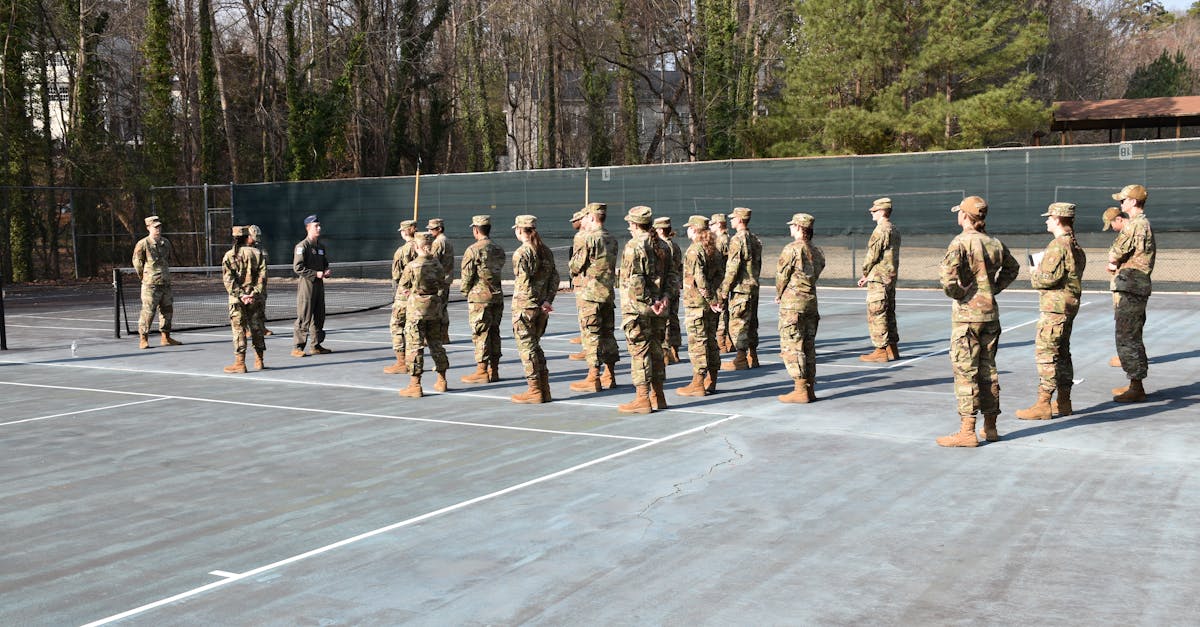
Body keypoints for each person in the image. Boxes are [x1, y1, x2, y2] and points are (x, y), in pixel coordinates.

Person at [935, 196, 1019, 447]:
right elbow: (1012, 269)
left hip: (967, 317)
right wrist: (992, 289)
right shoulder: (994, 242)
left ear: (964, 216)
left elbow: (948, 280)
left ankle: (967, 430)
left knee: (965, 372)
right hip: (990, 315)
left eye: (959, 213)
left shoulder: (960, 242)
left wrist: (961, 294)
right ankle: (990, 427)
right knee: (988, 370)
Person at [1015, 202, 1087, 420]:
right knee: (1063, 354)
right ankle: (1063, 402)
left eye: (1049, 217)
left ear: (1057, 219)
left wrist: (1034, 272)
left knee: (1046, 354)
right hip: (1067, 306)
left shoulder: (1058, 245)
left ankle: (1044, 403)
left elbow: (1048, 279)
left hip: (1055, 308)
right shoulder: (1075, 245)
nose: (1046, 220)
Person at [617, 206, 669, 413]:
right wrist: (663, 298)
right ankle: (658, 395)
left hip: (638, 308)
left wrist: (649, 301)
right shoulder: (663, 245)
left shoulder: (634, 246)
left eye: (630, 223)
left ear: (635, 224)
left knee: (639, 352)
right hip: (659, 308)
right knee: (656, 351)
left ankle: (642, 399)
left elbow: (636, 280)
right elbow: (673, 276)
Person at [1107, 184, 1155, 403]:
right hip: (1136, 286)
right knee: (1133, 335)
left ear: (1133, 202)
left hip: (1130, 286)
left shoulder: (1134, 225)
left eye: (1123, 201)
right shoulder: (1144, 224)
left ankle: (1136, 386)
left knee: (1126, 336)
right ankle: (1136, 383)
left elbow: (1116, 253)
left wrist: (1113, 261)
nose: (1121, 204)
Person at [568, 202, 622, 393]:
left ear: (591, 217)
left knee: (591, 336)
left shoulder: (590, 238)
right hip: (607, 293)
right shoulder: (611, 238)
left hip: (590, 294)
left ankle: (593, 376)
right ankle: (610, 374)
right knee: (608, 334)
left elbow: (575, 265)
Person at [776, 213, 826, 403]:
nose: (790, 228)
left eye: (792, 226)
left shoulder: (792, 249)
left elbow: (782, 275)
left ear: (798, 227)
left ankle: (799, 388)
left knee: (792, 344)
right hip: (810, 302)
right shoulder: (816, 250)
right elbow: (819, 269)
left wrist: (780, 293)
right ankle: (809, 387)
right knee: (808, 346)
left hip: (793, 304)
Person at [510, 215, 559, 403]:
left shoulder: (522, 253)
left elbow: (523, 285)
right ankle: (544, 389)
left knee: (527, 349)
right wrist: (546, 300)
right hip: (541, 308)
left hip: (526, 307)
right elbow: (554, 278)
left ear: (520, 230)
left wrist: (530, 304)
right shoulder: (545, 250)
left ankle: (535, 390)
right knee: (535, 347)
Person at [675, 215, 725, 397]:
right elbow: (721, 276)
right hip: (711, 304)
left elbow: (700, 279)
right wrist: (716, 298)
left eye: (689, 227)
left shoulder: (695, 250)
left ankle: (698, 383)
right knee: (710, 341)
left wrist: (711, 299)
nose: (687, 230)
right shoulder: (714, 249)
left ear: (694, 230)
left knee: (698, 342)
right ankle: (711, 380)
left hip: (698, 304)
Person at [397, 232, 450, 398]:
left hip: (416, 311)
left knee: (415, 346)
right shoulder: (437, 265)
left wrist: (413, 295)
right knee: (436, 343)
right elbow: (443, 284)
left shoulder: (412, 266)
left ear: (416, 247)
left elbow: (403, 286)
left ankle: (415, 385)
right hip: (434, 309)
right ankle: (442, 380)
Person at [459, 215, 506, 384]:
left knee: (481, 334)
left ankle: (481, 370)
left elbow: (467, 277)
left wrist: (466, 292)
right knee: (494, 332)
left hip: (479, 298)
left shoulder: (472, 250)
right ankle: (494, 370)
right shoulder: (498, 249)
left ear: (476, 230)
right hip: (496, 296)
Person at [718, 206, 763, 370]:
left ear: (740, 219)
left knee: (739, 323)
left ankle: (741, 358)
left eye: (733, 218)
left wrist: (724, 290)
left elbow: (732, 267)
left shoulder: (737, 239)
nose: (731, 220)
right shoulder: (755, 239)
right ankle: (753, 356)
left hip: (741, 288)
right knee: (751, 323)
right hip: (753, 287)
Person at [857, 197, 901, 362]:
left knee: (877, 313)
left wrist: (865, 273)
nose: (872, 213)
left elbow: (872, 255)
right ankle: (892, 349)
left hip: (879, 278)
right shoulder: (894, 229)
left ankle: (881, 350)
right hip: (889, 277)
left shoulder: (881, 230)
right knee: (889, 312)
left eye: (874, 210)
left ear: (882, 211)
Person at [221, 226, 267, 373]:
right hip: (256, 298)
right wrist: (253, 293)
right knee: (257, 328)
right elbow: (263, 278)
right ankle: (259, 360)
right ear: (247, 237)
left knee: (239, 330)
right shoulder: (258, 254)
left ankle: (240, 363)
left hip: (237, 300)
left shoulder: (229, 255)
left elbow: (228, 280)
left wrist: (241, 295)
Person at [132, 215, 182, 349]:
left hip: (165, 283)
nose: (158, 229)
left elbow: (168, 260)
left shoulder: (165, 242)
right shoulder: (143, 243)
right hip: (151, 284)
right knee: (148, 312)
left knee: (167, 311)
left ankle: (166, 337)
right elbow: (137, 263)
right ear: (148, 228)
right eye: (155, 227)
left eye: (159, 226)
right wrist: (145, 276)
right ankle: (143, 338)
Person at [292, 214, 331, 356]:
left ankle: (316, 345)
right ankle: (298, 347)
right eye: (316, 226)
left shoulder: (321, 247)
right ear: (308, 228)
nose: (319, 228)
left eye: (319, 225)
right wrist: (316, 274)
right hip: (307, 286)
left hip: (319, 286)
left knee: (319, 315)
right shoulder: (302, 246)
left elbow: (325, 263)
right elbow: (298, 267)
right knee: (304, 316)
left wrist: (326, 270)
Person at [383, 220, 418, 374]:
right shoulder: (424, 248)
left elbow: (396, 275)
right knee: (414, 328)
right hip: (420, 294)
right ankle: (415, 361)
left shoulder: (402, 251)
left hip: (404, 295)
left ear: (405, 231)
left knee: (397, 325)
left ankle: (401, 361)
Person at [653, 216, 684, 364]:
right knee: (673, 319)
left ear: (659, 229)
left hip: (665, 287)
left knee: (664, 321)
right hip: (675, 286)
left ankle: (666, 353)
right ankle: (675, 351)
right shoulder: (675, 246)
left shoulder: (661, 246)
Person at [427, 218, 455, 343]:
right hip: (446, 279)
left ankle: (436, 337)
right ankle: (444, 336)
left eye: (432, 229)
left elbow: (432, 261)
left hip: (439, 280)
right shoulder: (447, 241)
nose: (429, 231)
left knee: (435, 309)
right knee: (443, 308)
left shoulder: (438, 242)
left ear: (439, 229)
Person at [710, 213, 733, 352]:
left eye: (712, 224)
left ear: (718, 224)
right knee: (724, 310)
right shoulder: (728, 239)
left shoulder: (721, 240)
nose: (710, 227)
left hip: (720, 280)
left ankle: (722, 343)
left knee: (720, 311)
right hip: (724, 279)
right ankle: (728, 341)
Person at [245, 225, 272, 338]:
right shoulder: (241, 249)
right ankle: (247, 329)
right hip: (247, 283)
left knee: (260, 305)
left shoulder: (259, 248)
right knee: (247, 307)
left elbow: (266, 261)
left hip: (260, 283)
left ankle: (262, 327)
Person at [567, 210, 586, 357]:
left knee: (586, 314)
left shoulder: (582, 237)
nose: (573, 222)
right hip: (584, 282)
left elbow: (577, 263)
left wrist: (572, 270)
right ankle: (585, 337)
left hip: (584, 282)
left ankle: (587, 346)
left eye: (576, 220)